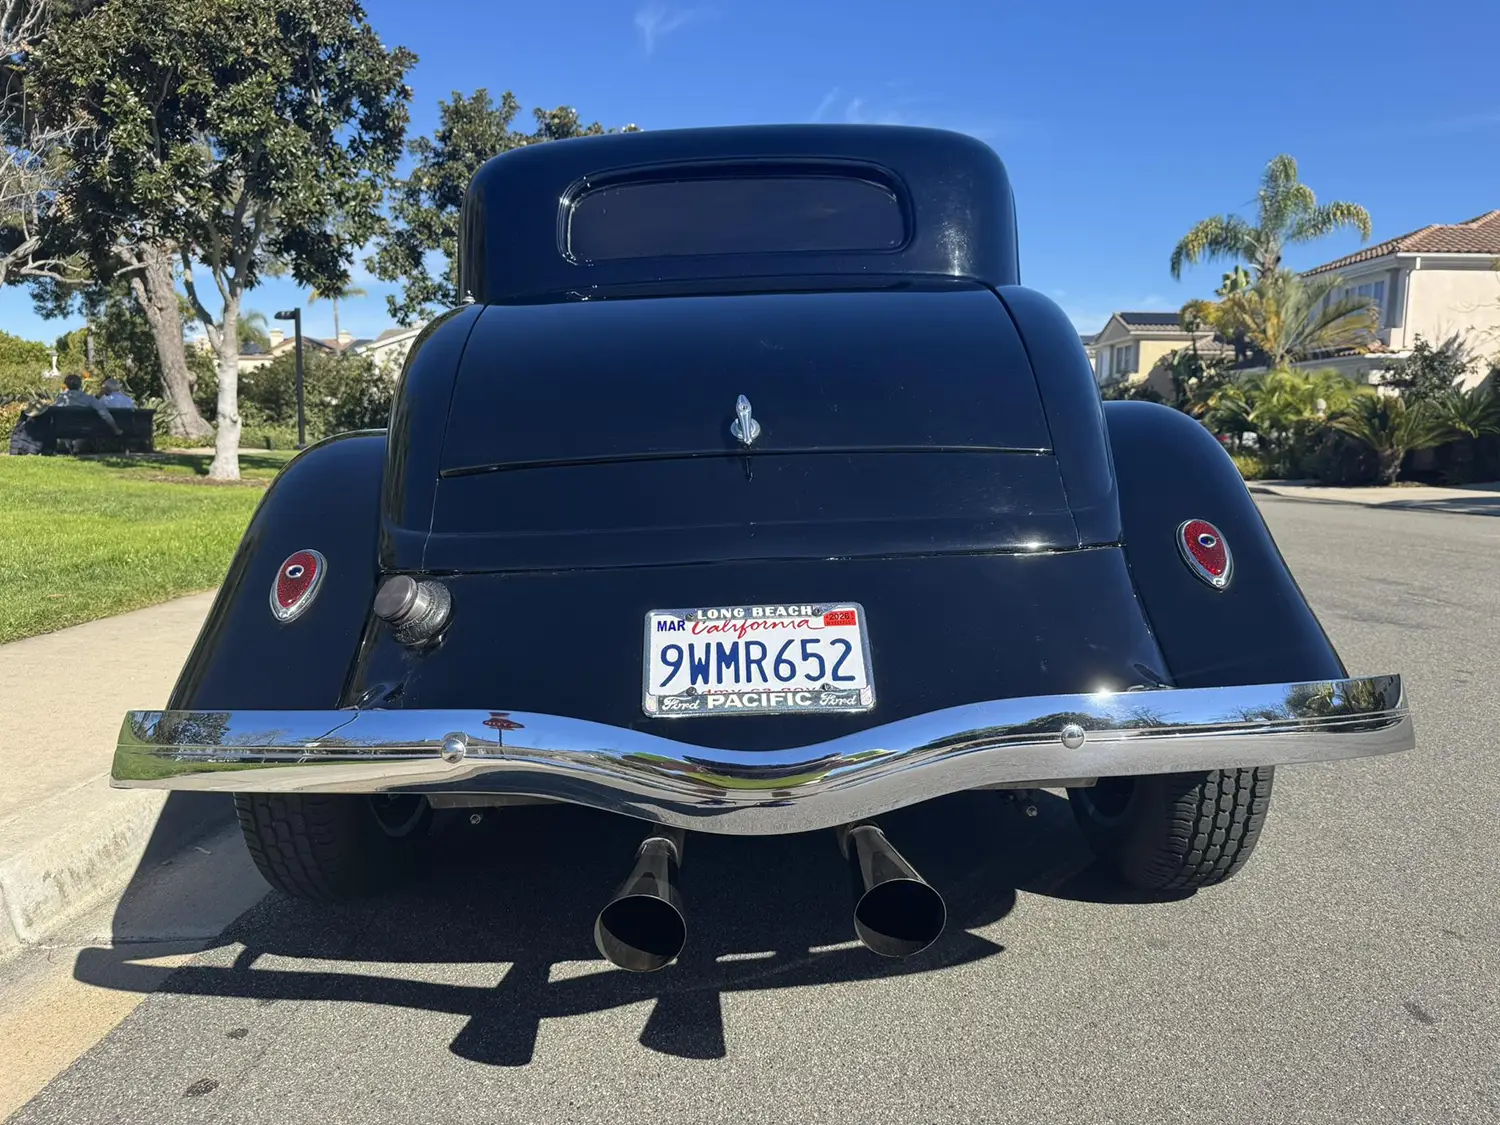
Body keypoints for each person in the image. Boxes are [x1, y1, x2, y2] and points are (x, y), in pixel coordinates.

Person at [53, 373, 123, 438]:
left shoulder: (61, 399)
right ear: (80, 385)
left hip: (64, 429)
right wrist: (115, 429)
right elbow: (104, 413)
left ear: (66, 385)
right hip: (84, 429)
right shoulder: (89, 399)